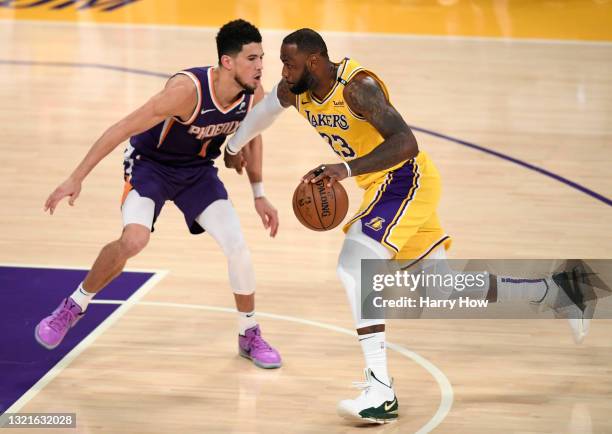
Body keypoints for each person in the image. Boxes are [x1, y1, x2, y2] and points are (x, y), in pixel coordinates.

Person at [223, 28, 593, 423]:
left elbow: (406, 142)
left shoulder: (358, 87)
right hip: (382, 187)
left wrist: (344, 169)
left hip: (405, 179)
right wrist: (232, 146)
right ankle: (559, 292)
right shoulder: (296, 89)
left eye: (290, 63)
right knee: (443, 289)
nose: (283, 71)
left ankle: (380, 389)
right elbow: (265, 112)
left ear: (314, 62)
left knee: (353, 265)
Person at [35, 19, 282, 370]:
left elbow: (254, 135)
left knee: (237, 245)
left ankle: (249, 333)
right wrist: (76, 177)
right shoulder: (186, 90)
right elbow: (122, 127)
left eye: (261, 58)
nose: (260, 66)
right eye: (252, 59)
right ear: (228, 62)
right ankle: (74, 305)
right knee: (134, 240)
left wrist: (259, 193)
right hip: (150, 166)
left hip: (196, 173)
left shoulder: (253, 93)